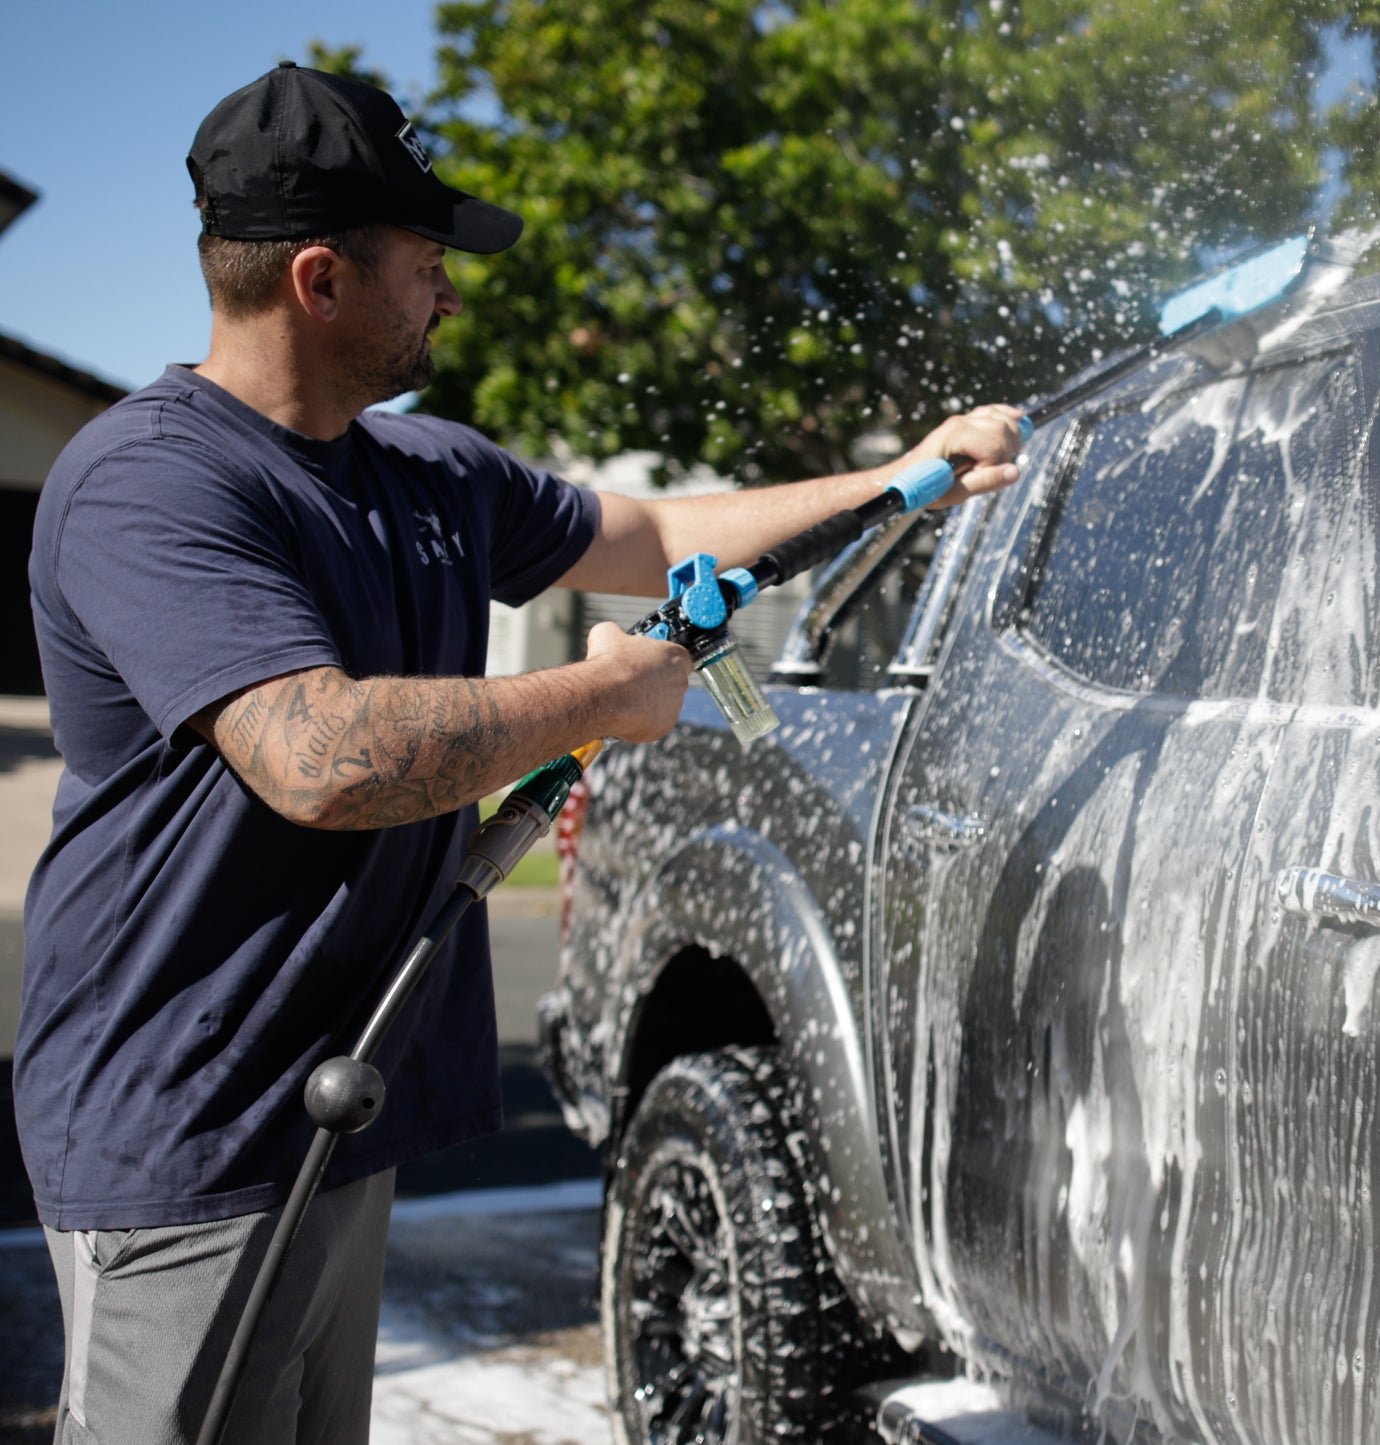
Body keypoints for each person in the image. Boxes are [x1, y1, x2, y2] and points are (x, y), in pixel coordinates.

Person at [16, 61, 1023, 1445]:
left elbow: (662, 538)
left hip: (329, 1104)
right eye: (424, 262)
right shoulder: (153, 481)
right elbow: (316, 756)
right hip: (188, 1127)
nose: (449, 291)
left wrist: (905, 474)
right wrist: (593, 696)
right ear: (319, 277)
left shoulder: (427, 476)